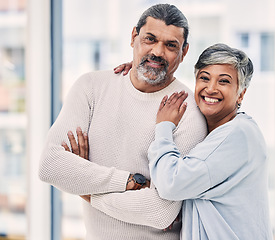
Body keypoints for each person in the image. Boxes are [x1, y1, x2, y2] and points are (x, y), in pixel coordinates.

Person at [39, 3, 207, 240]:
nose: (158, 52)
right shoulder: (91, 87)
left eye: (171, 45)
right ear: (133, 37)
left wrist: (85, 188)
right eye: (150, 39)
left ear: (184, 52)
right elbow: (50, 166)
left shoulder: (188, 110)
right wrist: (131, 182)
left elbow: (160, 211)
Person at [147, 43, 273, 239]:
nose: (211, 88)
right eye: (204, 78)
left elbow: (171, 183)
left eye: (223, 81)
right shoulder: (217, 133)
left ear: (241, 93)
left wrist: (163, 127)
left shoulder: (237, 134)